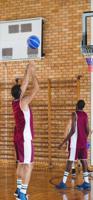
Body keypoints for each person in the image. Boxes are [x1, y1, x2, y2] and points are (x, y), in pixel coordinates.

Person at [11, 61, 39, 200]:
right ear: (21, 93)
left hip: (17, 137)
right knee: (29, 164)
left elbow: (24, 84)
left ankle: (18, 189)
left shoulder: (15, 102)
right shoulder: (23, 102)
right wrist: (32, 73)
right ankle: (22, 194)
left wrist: (27, 70)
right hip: (24, 137)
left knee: (21, 163)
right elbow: (36, 88)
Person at [56, 100, 91, 190]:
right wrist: (85, 138)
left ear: (76, 106)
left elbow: (73, 130)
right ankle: (86, 182)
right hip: (83, 142)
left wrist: (63, 142)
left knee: (69, 162)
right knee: (84, 161)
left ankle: (63, 182)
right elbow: (87, 130)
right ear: (83, 107)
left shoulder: (74, 114)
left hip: (75, 143)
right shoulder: (85, 115)